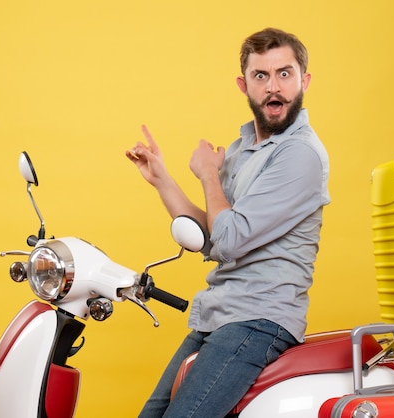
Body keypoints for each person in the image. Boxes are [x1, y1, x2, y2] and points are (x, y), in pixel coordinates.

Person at [126, 27, 330, 418]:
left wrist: (208, 176)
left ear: (303, 80)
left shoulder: (299, 155)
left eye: (284, 74)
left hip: (259, 319)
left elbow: (230, 238)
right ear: (244, 85)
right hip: (222, 314)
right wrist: (162, 180)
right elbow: (212, 237)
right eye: (261, 76)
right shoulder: (242, 149)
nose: (274, 87)